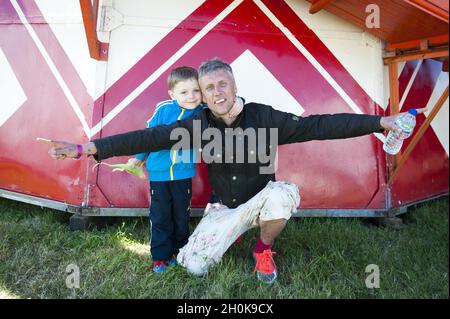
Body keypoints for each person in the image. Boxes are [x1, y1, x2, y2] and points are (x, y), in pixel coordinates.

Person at [40, 58, 426, 284]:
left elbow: (320, 125)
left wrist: (380, 123)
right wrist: (85, 147)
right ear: (203, 96)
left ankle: (263, 248)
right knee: (193, 267)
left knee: (283, 194)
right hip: (223, 207)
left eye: (222, 83)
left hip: (261, 199)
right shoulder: (199, 125)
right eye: (208, 88)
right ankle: (227, 237)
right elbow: (148, 136)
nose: (216, 92)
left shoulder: (265, 117)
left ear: (233, 83)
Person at [126, 66, 243, 273]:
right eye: (184, 92)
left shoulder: (203, 112)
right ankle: (160, 257)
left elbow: (228, 101)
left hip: (183, 174)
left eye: (196, 91)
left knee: (181, 215)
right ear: (172, 94)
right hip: (159, 175)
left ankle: (180, 251)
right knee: (161, 216)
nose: (191, 96)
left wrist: (239, 102)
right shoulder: (164, 110)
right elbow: (148, 137)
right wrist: (138, 158)